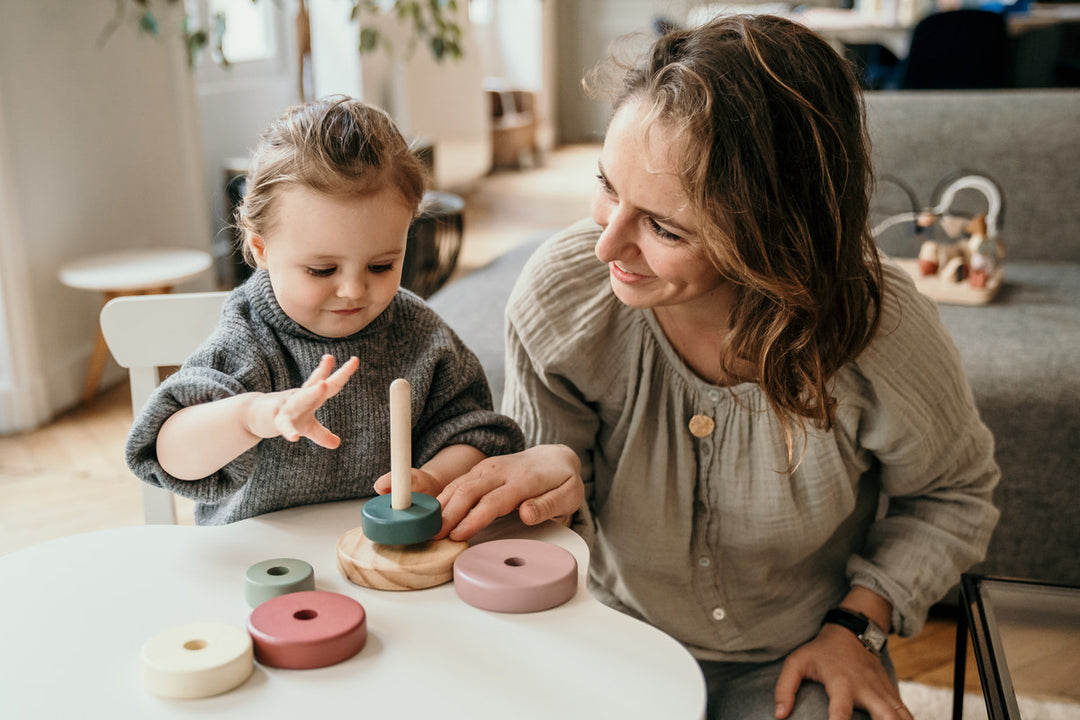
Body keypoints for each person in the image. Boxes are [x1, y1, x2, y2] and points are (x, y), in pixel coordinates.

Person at [433, 15, 1000, 720]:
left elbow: (954, 495)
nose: (609, 243)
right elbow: (548, 533)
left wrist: (857, 626)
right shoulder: (564, 295)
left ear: (777, 234)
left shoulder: (878, 329)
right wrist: (541, 497)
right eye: (608, 186)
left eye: (664, 228)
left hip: (800, 654)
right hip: (611, 637)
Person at [126, 97, 523, 525]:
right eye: (322, 269)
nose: (353, 290)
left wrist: (433, 476)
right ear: (261, 249)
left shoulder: (422, 335)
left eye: (381, 265)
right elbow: (168, 454)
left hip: (386, 559)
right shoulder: (248, 339)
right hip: (262, 563)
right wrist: (253, 416)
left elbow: (475, 432)